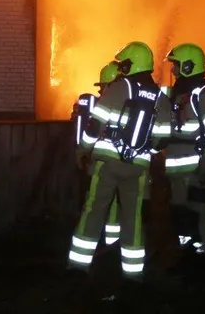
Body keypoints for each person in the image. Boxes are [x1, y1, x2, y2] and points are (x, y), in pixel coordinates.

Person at [66, 41, 175, 301]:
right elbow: (162, 140)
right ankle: (133, 277)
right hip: (138, 168)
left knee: (93, 211)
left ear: (130, 64)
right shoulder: (159, 96)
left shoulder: (119, 87)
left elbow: (95, 123)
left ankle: (78, 269)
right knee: (133, 219)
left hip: (107, 164)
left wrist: (83, 150)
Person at [160, 42, 205, 282]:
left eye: (177, 66)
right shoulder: (178, 93)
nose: (174, 71)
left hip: (200, 168)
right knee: (181, 216)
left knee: (201, 216)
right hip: (179, 172)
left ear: (189, 66)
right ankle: (189, 259)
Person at [71, 61, 122, 246]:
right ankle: (110, 245)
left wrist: (81, 152)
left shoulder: (103, 105)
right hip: (110, 167)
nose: (100, 92)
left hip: (98, 165)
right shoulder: (126, 105)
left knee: (94, 206)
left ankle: (101, 244)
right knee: (111, 207)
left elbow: (88, 135)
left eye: (102, 87)